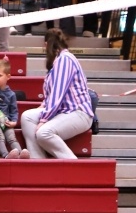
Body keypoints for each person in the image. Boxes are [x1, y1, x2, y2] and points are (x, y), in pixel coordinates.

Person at [20, 29, 95, 159]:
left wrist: (44, 119)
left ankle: (74, 166)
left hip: (78, 113)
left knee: (44, 133)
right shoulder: (57, 62)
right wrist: (42, 108)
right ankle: (38, 163)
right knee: (27, 117)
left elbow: (57, 94)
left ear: (46, 45)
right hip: (63, 111)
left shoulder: (65, 59)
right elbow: (50, 97)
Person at [0, 58, 29, 159]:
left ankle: (20, 154)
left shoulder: (11, 94)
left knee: (12, 138)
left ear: (8, 77)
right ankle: (6, 155)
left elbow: (14, 111)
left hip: (5, 121)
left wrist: (14, 122)